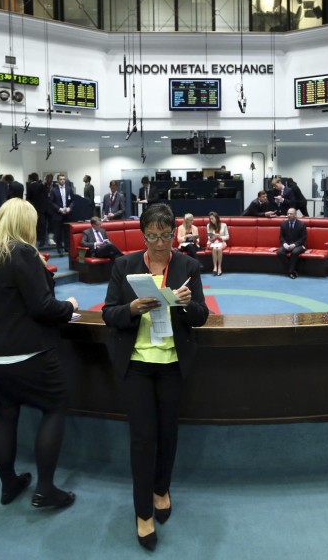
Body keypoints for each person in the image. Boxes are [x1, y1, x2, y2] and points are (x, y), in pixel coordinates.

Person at [101, 203, 209, 550]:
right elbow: (108, 314)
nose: (160, 243)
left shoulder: (188, 266)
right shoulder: (125, 265)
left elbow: (201, 317)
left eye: (166, 235)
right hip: (136, 364)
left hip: (172, 364)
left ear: (175, 233)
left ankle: (161, 488)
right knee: (143, 438)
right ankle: (143, 511)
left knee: (168, 433)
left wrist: (186, 305)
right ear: (142, 235)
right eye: (152, 236)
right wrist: (131, 309)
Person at [0, 198, 79, 510]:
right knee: (54, 408)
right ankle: (45, 489)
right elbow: (42, 307)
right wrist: (70, 306)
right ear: (25, 223)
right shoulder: (23, 253)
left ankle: (8, 485)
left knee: (3, 414)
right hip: (24, 352)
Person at [277, 207, 307, 279]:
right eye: (288, 214)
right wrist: (284, 244)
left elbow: (303, 238)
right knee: (280, 252)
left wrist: (294, 245)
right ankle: (292, 271)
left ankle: (290, 271)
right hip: (287, 245)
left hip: (298, 245)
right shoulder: (283, 223)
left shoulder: (301, 224)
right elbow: (281, 237)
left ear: (295, 215)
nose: (289, 215)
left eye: (291, 214)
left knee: (295, 252)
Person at [50, 173, 76, 255]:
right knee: (58, 232)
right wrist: (59, 209)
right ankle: (59, 248)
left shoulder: (69, 189)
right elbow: (51, 202)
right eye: (60, 179)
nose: (62, 181)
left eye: (63, 179)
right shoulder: (53, 190)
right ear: (58, 180)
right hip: (58, 214)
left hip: (67, 213)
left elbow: (73, 200)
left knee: (67, 231)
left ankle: (67, 247)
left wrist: (70, 208)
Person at [25, 173, 49, 247]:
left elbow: (28, 198)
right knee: (42, 225)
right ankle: (43, 241)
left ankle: (34, 240)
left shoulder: (30, 186)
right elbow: (46, 196)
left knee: (34, 225)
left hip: (34, 208)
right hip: (43, 208)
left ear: (31, 179)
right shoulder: (42, 186)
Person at [206, 211, 229, 276]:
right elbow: (209, 237)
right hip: (212, 242)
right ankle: (215, 267)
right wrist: (212, 237)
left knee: (219, 249)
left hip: (221, 242)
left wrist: (220, 236)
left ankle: (219, 267)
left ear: (216, 218)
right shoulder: (208, 225)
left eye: (212, 218)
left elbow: (227, 236)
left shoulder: (224, 225)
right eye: (210, 219)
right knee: (214, 248)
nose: (211, 220)